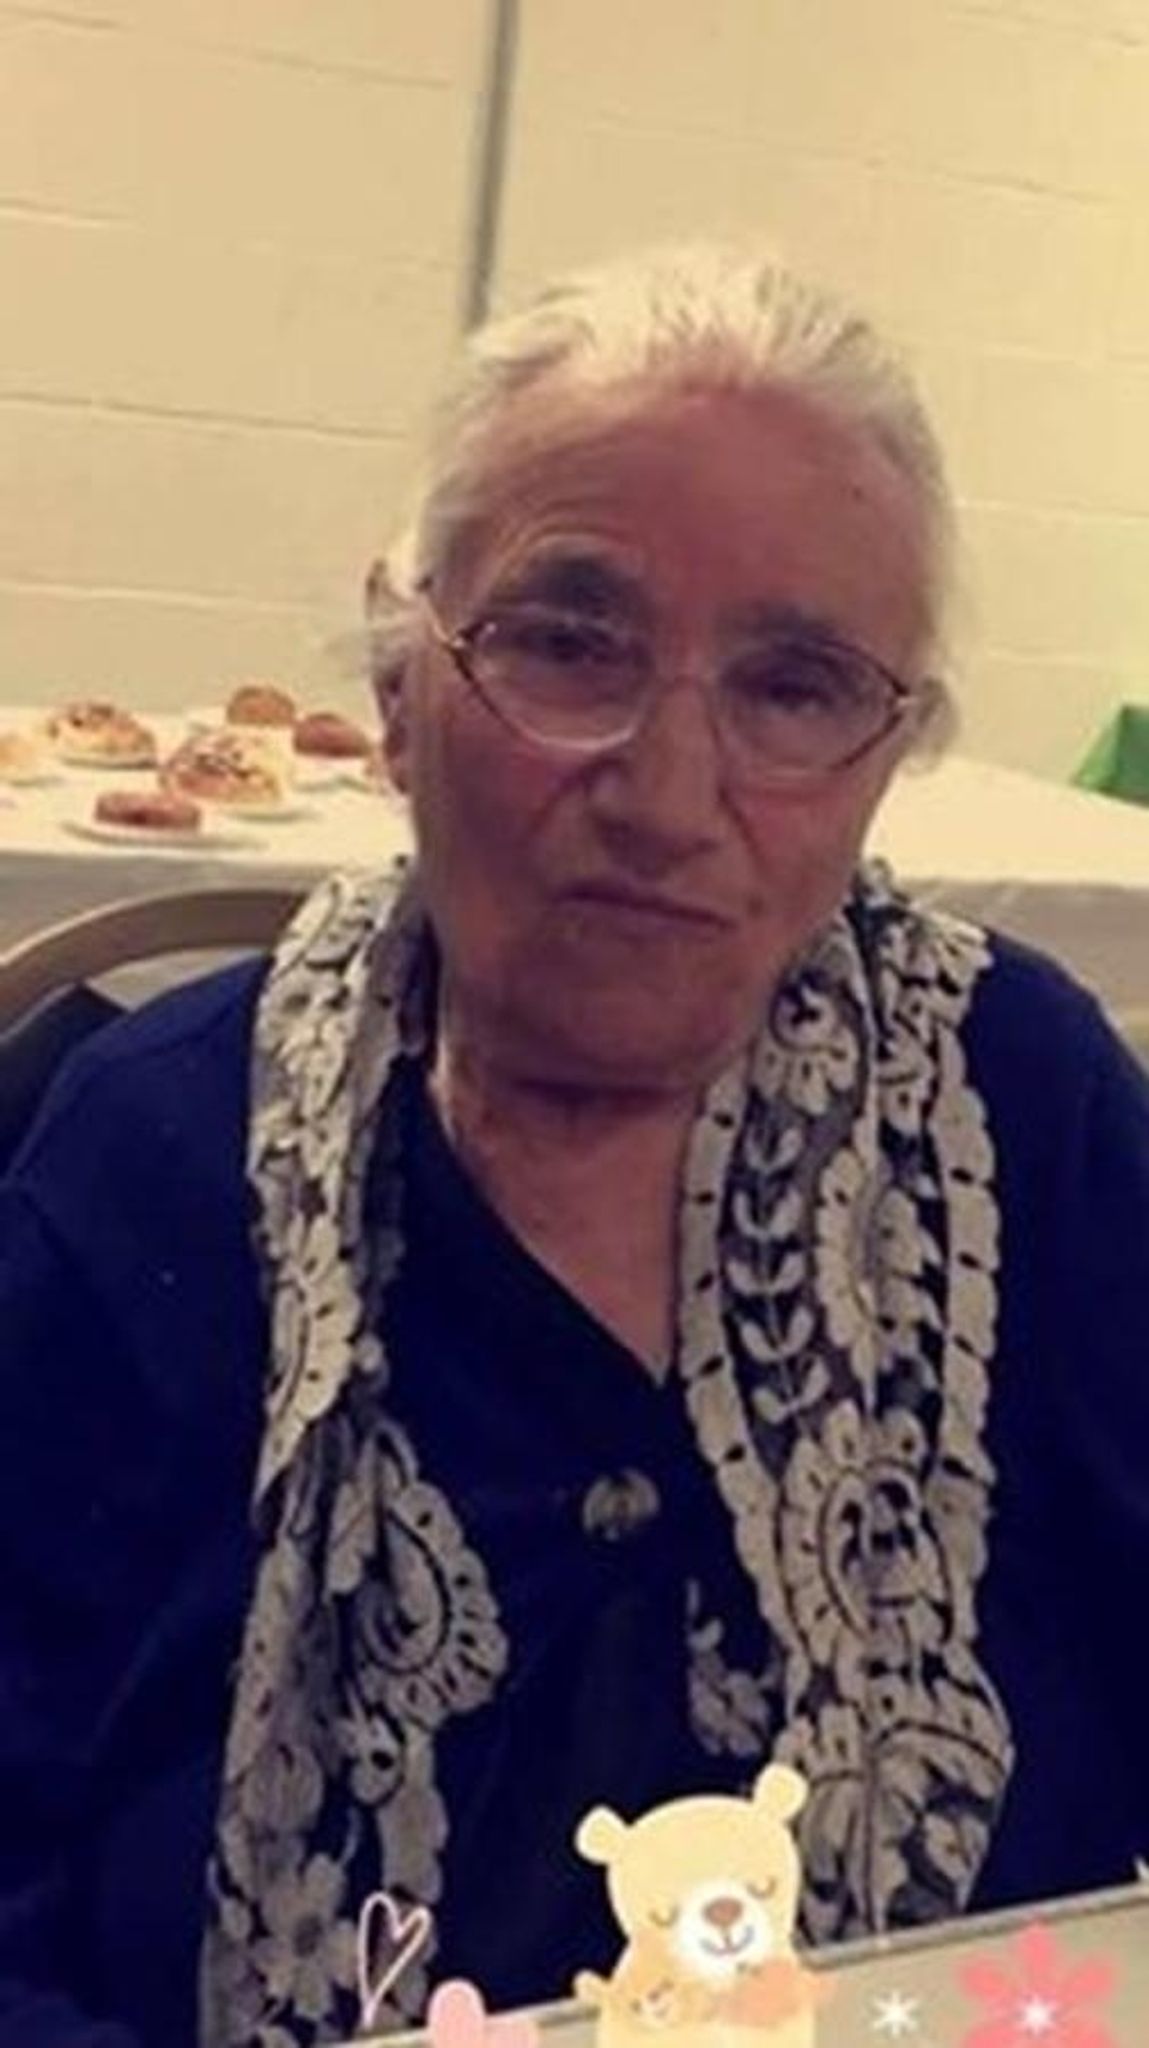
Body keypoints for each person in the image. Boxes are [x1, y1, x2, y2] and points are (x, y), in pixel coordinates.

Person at [2, 243, 1148, 2048]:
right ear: (403, 684)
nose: (668, 796)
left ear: (885, 752)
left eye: (794, 684)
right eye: (566, 643)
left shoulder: (1026, 1112)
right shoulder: (149, 1153)